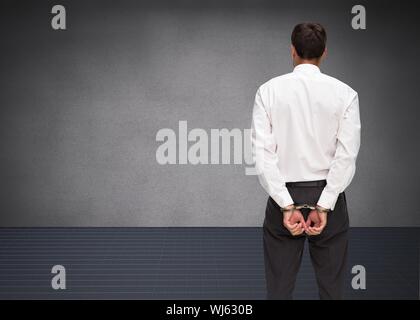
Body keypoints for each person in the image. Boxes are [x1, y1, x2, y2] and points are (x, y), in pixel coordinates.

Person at [251, 22, 361, 300]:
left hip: (283, 197)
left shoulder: (268, 91)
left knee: (278, 291)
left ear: (292, 51)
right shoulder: (345, 94)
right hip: (329, 198)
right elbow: (346, 155)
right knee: (332, 290)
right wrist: (325, 205)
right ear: (324, 52)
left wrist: (286, 204)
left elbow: (262, 155)